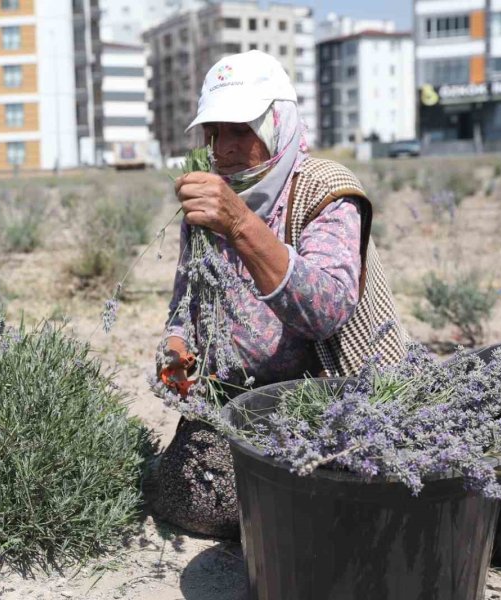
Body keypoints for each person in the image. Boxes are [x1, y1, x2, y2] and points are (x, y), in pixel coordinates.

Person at [150, 51, 407, 538]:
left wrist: (241, 224)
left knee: (337, 501)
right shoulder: (209, 201)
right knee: (189, 497)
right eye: (215, 133)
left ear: (277, 123)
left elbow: (326, 311)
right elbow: (185, 303)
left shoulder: (326, 190)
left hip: (332, 393)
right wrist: (178, 346)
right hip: (240, 400)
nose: (223, 148)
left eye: (241, 130)